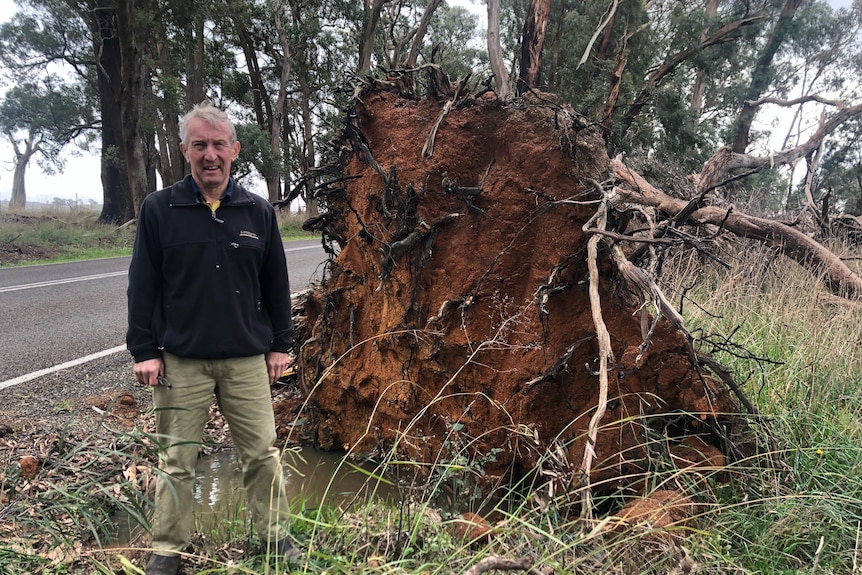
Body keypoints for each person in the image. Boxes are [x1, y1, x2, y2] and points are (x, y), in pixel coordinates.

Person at [126, 101, 299, 575]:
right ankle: (167, 551)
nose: (210, 154)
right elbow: (143, 285)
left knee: (261, 454)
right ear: (185, 151)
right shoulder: (160, 210)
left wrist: (281, 344)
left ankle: (275, 539)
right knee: (177, 460)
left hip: (246, 358)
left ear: (234, 150)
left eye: (218, 144)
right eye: (199, 144)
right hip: (181, 359)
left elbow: (276, 285)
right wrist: (144, 350)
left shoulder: (258, 212)